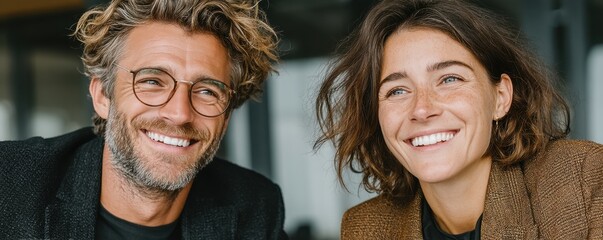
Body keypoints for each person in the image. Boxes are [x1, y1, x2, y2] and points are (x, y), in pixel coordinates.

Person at [315, 0, 603, 239]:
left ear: (501, 97)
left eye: (449, 79)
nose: (422, 109)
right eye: (397, 90)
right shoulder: (365, 228)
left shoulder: (582, 178)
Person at [0, 0, 287, 239]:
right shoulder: (11, 183)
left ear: (226, 116)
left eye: (206, 91)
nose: (179, 114)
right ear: (102, 95)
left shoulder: (255, 207)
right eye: (152, 81)